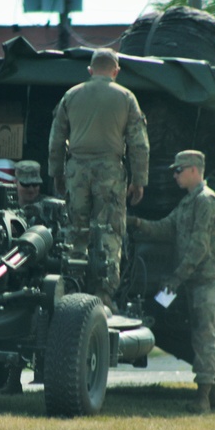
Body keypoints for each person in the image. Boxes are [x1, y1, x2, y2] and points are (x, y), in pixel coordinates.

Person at [48, 47, 150, 315]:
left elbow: (56, 139)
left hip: (76, 170)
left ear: (90, 70)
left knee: (75, 230)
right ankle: (104, 295)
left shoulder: (71, 95)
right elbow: (139, 144)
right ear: (116, 71)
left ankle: (72, 290)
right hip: (110, 171)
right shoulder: (126, 97)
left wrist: (57, 173)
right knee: (109, 232)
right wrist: (139, 180)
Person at [129, 150, 215, 413]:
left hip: (209, 279)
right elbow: (166, 228)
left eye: (179, 170)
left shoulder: (205, 201)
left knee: (205, 337)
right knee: (212, 337)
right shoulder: (188, 203)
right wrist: (138, 223)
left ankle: (204, 398)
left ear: (194, 170)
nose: (174, 175)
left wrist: (177, 277)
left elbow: (199, 247)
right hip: (197, 280)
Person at [0, 159, 67, 395]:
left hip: (41, 277)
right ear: (15, 183)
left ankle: (47, 380)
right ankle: (12, 380)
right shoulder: (3, 209)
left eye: (35, 185)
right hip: (12, 277)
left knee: (42, 328)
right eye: (26, 185)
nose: (31, 190)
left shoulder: (50, 208)